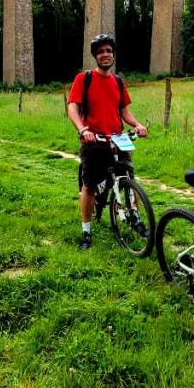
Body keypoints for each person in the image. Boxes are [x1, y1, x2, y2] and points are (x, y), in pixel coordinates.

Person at [67, 33, 148, 250]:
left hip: (118, 138)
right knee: (90, 186)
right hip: (93, 137)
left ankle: (136, 220)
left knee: (129, 180)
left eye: (109, 51)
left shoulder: (118, 82)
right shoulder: (84, 79)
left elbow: (124, 111)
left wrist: (137, 125)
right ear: (95, 56)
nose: (105, 55)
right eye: (101, 51)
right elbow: (72, 107)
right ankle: (86, 231)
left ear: (113, 55)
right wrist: (83, 129)